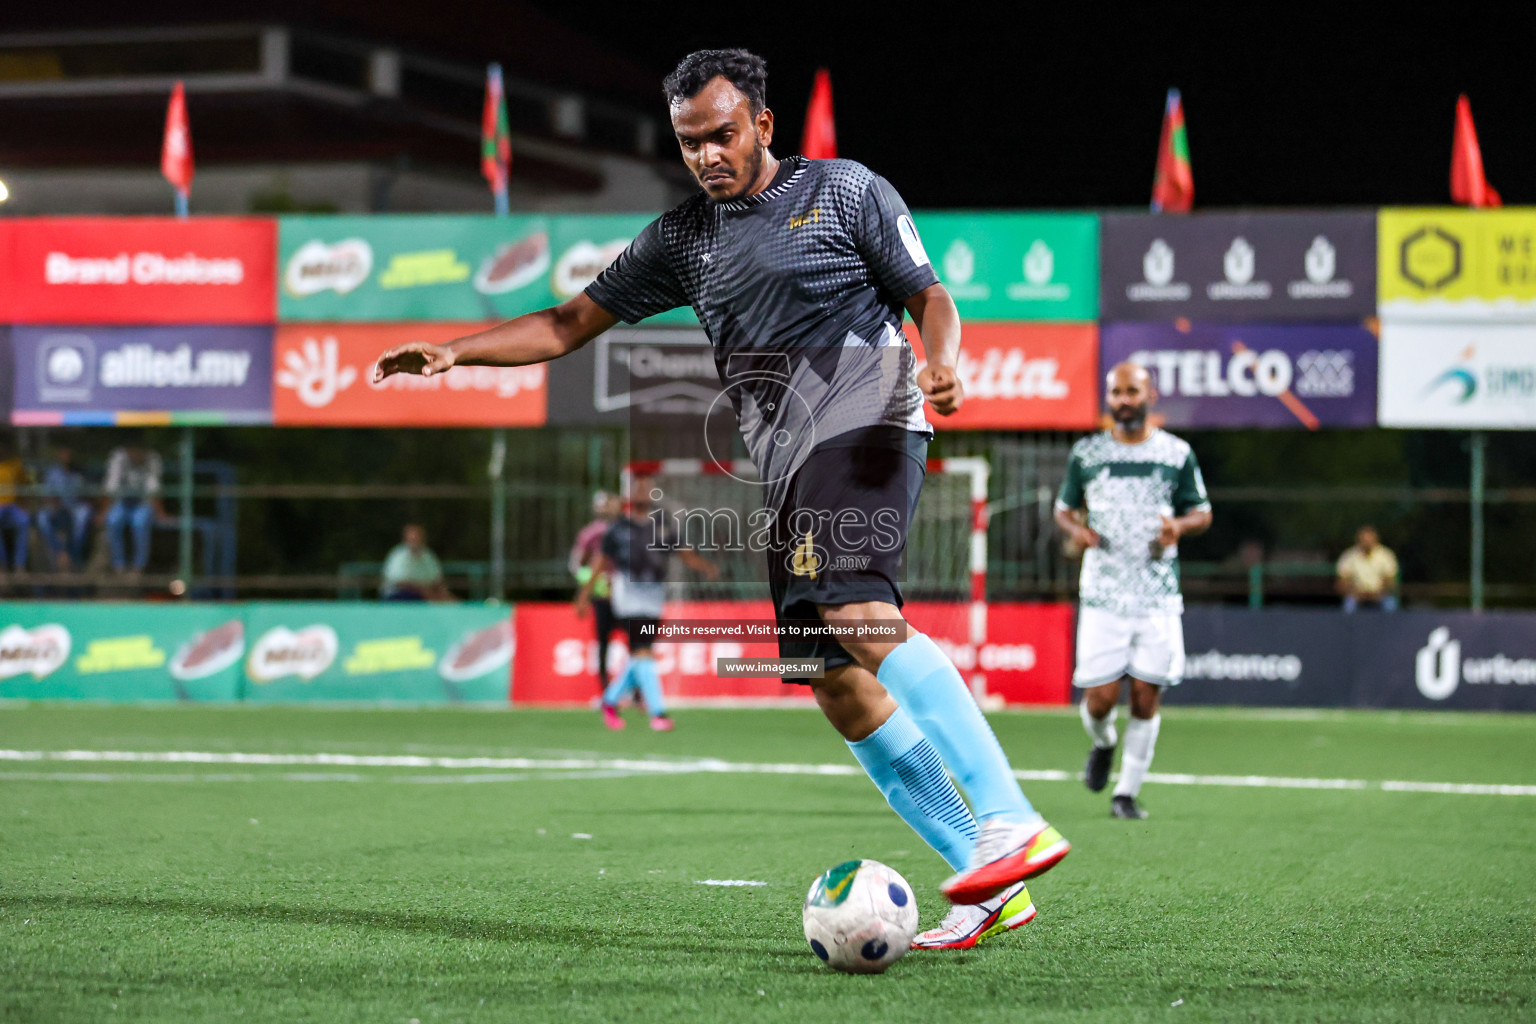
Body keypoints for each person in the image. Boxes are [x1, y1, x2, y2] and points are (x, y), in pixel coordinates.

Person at [374, 47, 1068, 948]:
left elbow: (930, 295)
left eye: (723, 135)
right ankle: (987, 885)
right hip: (787, 460)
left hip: (865, 406)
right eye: (689, 141)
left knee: (859, 609)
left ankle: (1011, 816)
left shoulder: (848, 190)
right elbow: (563, 324)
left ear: (764, 126)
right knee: (838, 687)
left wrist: (943, 362)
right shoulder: (681, 240)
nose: (706, 155)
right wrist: (454, 351)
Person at [1055, 363, 1212, 821]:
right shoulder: (1087, 454)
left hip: (1156, 594)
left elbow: (1202, 511)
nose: (1124, 400)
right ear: (1109, 398)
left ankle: (1126, 792)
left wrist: (1178, 526)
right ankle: (1103, 742)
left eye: (1132, 391)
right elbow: (1064, 509)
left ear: (1151, 395)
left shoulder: (1176, 453)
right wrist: (1078, 532)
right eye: (1117, 392)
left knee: (1146, 694)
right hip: (1103, 592)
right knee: (1100, 699)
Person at [577, 478, 717, 731]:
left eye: (646, 487)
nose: (642, 492)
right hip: (628, 594)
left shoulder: (661, 525)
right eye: (638, 487)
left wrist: (706, 568)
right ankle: (658, 713)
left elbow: (684, 552)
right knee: (643, 651)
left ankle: (609, 700)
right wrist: (584, 595)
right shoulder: (618, 528)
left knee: (640, 655)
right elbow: (600, 562)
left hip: (654, 594)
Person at [570, 491, 621, 691]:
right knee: (604, 642)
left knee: (636, 643)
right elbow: (577, 565)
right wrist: (594, 584)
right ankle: (606, 689)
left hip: (624, 595)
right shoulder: (590, 534)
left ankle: (634, 690)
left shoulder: (623, 530)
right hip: (603, 596)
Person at [104, 445, 165, 575]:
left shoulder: (152, 459)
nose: (136, 453)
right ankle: (119, 566)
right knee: (113, 520)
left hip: (143, 502)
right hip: (122, 502)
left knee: (140, 523)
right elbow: (111, 488)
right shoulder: (118, 458)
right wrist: (103, 511)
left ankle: (138, 567)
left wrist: (160, 513)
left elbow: (154, 490)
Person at [38, 447, 94, 570]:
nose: (66, 455)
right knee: (42, 517)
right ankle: (59, 552)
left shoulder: (81, 472)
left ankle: (72, 555)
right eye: (63, 453)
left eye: (69, 453)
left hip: (76, 506)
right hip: (57, 506)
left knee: (83, 516)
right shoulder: (52, 473)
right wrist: (54, 503)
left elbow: (89, 494)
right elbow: (46, 495)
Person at [381, 524, 451, 601]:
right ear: (405, 539)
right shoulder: (398, 555)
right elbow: (399, 582)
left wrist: (444, 594)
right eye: (412, 538)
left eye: (417, 537)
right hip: (397, 595)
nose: (415, 540)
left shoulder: (428, 555)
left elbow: (437, 580)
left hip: (424, 594)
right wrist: (424, 591)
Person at [1337, 526, 1398, 612]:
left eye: (1369, 539)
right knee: (1348, 607)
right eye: (1364, 540)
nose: (1367, 542)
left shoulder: (1386, 555)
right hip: (1356, 595)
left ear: (1376, 539)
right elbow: (1342, 581)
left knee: (1390, 606)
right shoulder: (1349, 556)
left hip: (1380, 595)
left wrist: (1379, 593)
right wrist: (1355, 592)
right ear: (1358, 540)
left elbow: (1390, 580)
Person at [0, 442, 32, 574]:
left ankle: (20, 566)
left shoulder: (15, 464)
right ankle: (2, 565)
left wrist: (25, 504)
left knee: (25, 520)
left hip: (13, 507)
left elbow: (26, 485)